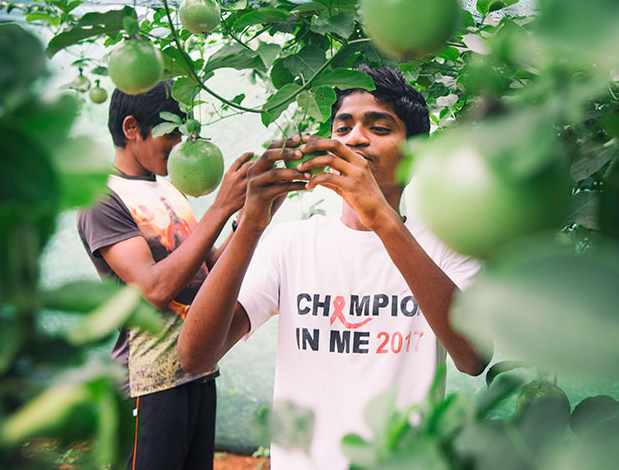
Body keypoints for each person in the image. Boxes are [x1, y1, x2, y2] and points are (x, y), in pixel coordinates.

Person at [177, 65, 490, 470]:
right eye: (342, 128)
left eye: (378, 128)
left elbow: (473, 357)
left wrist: (378, 215)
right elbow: (195, 357)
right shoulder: (293, 244)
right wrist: (251, 224)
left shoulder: (448, 247)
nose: (355, 137)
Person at [77, 81, 253, 470]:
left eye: (183, 131)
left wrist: (251, 216)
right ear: (131, 128)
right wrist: (220, 208)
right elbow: (154, 288)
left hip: (198, 370)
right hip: (147, 383)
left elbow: (209, 273)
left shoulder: (172, 190)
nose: (179, 143)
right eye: (169, 132)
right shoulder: (101, 198)